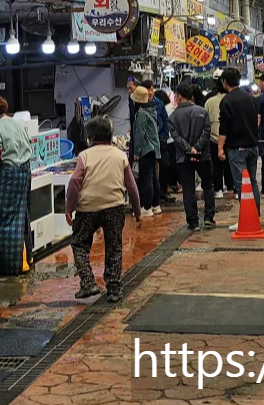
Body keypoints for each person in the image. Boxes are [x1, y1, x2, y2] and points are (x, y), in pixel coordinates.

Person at [66, 115, 142, 301]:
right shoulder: (120, 156)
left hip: (87, 208)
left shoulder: (84, 156)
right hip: (115, 207)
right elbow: (131, 186)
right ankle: (114, 289)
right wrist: (137, 211)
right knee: (114, 247)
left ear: (90, 137)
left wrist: (69, 208)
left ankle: (88, 283)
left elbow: (75, 181)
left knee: (79, 244)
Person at [0, 95, 33, 275]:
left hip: (8, 174)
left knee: (6, 220)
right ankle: (27, 259)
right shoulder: (16, 123)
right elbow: (29, 145)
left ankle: (10, 266)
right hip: (25, 171)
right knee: (22, 215)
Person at [217, 66, 262, 228]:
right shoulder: (250, 98)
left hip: (237, 149)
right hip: (252, 146)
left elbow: (224, 127)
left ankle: (247, 219)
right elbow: (257, 119)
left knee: (241, 184)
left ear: (224, 82)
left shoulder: (227, 101)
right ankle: (255, 216)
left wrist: (220, 148)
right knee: (253, 182)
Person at [169, 83, 216, 230]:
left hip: (184, 158)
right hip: (203, 156)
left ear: (179, 97)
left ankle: (193, 222)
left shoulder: (173, 116)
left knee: (188, 189)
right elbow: (207, 131)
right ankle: (208, 218)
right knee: (208, 185)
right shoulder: (202, 112)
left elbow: (175, 137)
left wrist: (189, 149)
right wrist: (197, 147)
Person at [130, 86, 162, 216]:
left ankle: (147, 207)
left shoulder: (141, 114)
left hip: (146, 150)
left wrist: (136, 152)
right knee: (154, 178)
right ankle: (156, 205)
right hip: (154, 149)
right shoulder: (151, 111)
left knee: (146, 179)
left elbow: (139, 135)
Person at [205, 80, 235, 198]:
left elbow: (205, 120)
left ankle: (218, 189)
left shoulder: (209, 101)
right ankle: (230, 186)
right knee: (230, 164)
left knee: (216, 166)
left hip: (214, 138)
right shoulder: (231, 100)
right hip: (230, 138)